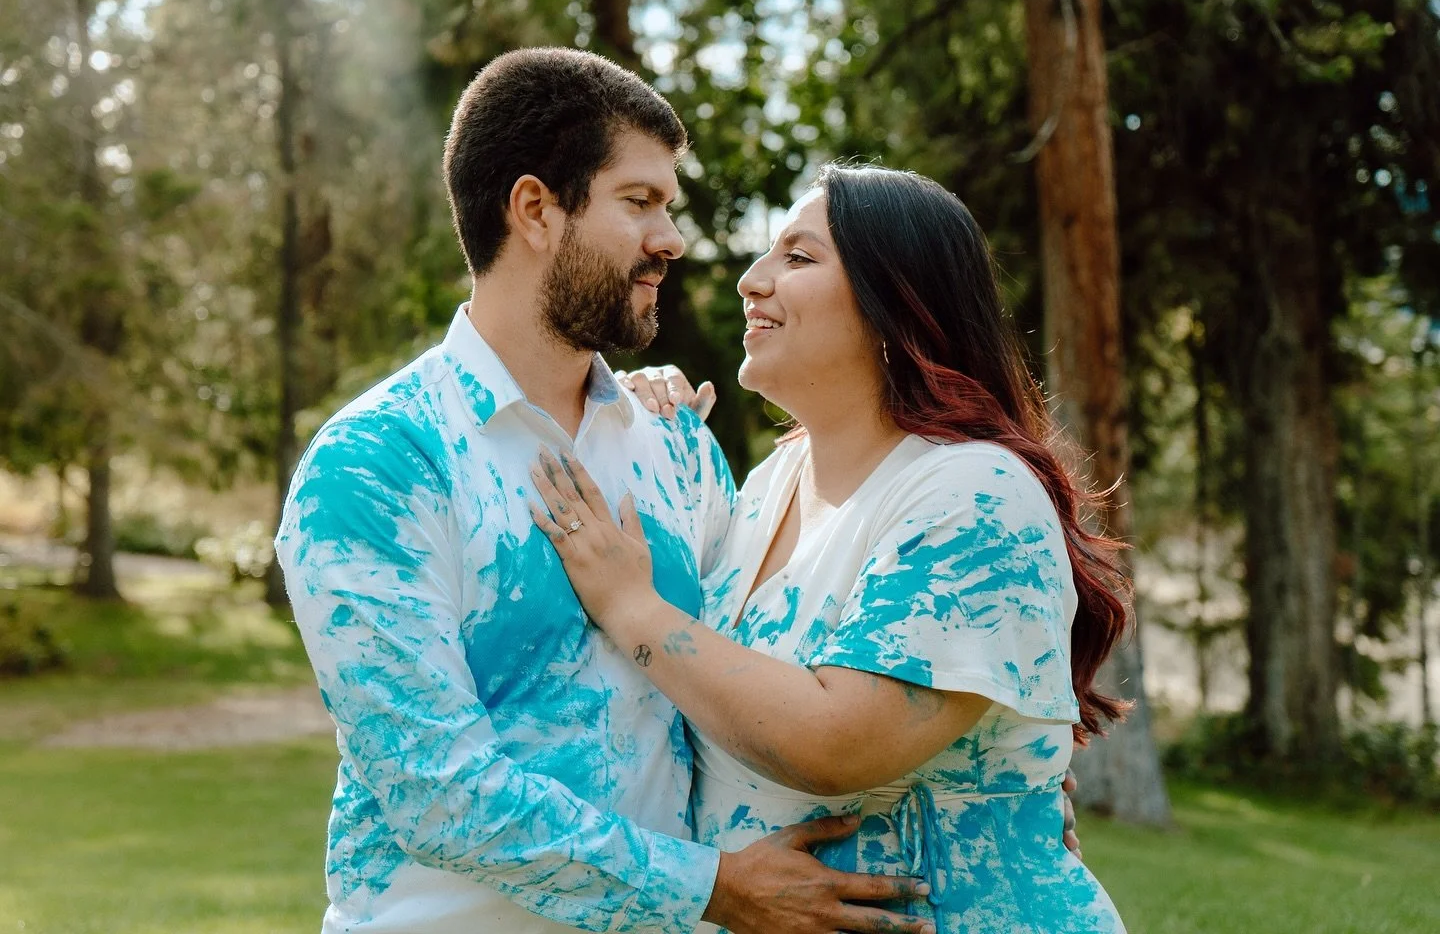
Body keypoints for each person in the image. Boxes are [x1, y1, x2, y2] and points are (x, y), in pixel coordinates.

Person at [275, 50, 933, 934]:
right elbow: (434, 790)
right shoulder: (376, 463)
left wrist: (987, 775)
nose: (673, 240)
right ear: (537, 210)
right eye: (640, 203)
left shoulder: (676, 447)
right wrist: (711, 888)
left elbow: (762, 670)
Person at [529, 163, 1130, 932]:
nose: (751, 280)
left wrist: (630, 607)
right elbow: (707, 699)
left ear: (898, 303)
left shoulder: (976, 494)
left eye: (798, 257)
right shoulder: (772, 484)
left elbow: (836, 742)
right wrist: (641, 417)